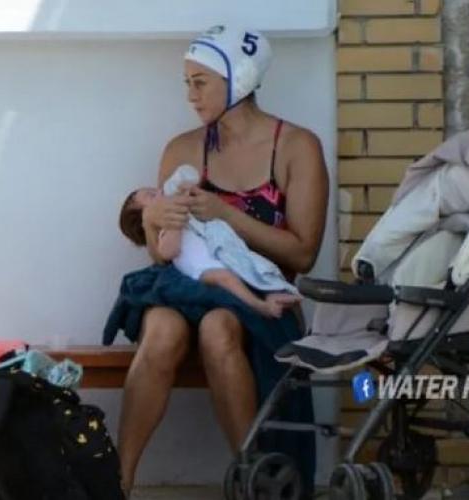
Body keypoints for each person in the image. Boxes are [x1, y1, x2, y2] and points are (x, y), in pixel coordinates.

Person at [116, 25, 329, 496]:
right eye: (187, 83)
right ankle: (118, 481)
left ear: (239, 80)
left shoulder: (296, 147)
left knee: (217, 327)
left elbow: (304, 253)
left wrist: (226, 214)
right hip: (190, 289)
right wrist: (152, 222)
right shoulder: (181, 149)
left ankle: (253, 478)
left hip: (259, 297)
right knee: (160, 328)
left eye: (200, 82)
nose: (190, 96)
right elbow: (165, 255)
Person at [118, 166, 301, 318]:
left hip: (217, 256)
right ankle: (259, 306)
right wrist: (174, 219)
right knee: (226, 278)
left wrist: (184, 192)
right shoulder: (165, 231)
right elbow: (168, 252)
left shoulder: (187, 220)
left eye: (156, 190)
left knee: (248, 267)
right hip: (201, 269)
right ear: (146, 218)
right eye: (152, 196)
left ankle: (276, 291)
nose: (160, 192)